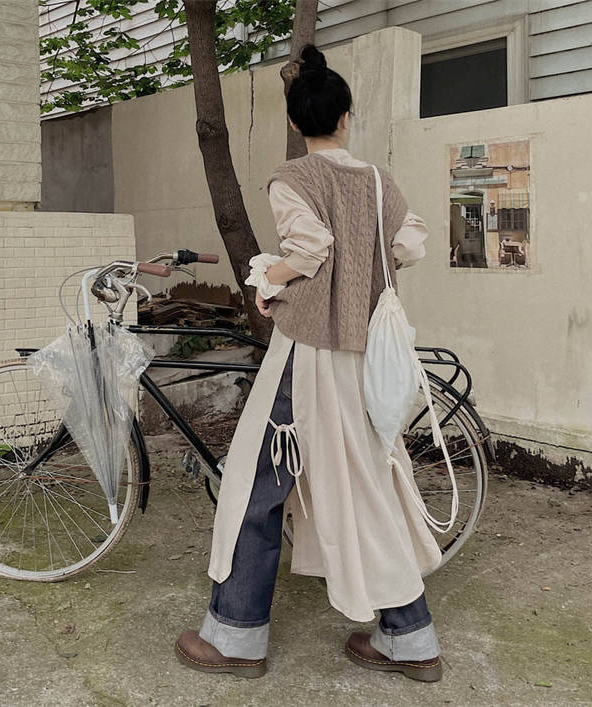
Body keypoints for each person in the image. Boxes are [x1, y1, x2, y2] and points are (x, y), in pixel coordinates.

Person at [174, 44, 443, 683]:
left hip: (308, 357)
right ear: (347, 116)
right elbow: (410, 244)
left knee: (254, 484)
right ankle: (410, 640)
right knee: (368, 484)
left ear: (296, 123)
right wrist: (366, 263)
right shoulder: (377, 180)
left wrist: (270, 278)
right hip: (364, 357)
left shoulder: (292, 177)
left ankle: (236, 635)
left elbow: (310, 246)